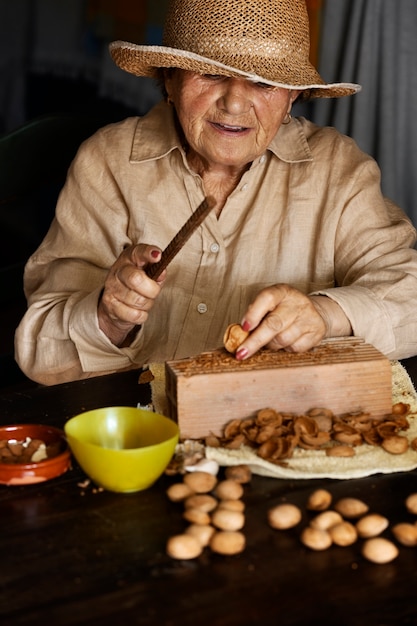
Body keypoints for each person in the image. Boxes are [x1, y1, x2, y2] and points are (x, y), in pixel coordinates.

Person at [15, 0, 417, 386]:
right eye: (210, 74)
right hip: (141, 430)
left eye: (263, 82)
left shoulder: (338, 171)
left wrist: (326, 314)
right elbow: (39, 352)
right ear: (169, 78)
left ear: (292, 93)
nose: (235, 102)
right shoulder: (110, 163)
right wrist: (109, 317)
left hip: (276, 427)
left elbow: (409, 296)